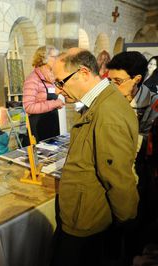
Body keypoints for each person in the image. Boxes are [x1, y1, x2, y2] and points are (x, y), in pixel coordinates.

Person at [50, 48, 139, 266]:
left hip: (86, 222)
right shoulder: (101, 102)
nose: (58, 91)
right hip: (81, 213)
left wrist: (126, 224)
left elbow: (117, 177)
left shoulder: (108, 112)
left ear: (83, 72)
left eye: (61, 82)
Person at [106, 51, 158, 263]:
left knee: (132, 226)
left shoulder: (153, 102)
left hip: (137, 174)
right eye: (110, 80)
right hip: (111, 169)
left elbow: (147, 140)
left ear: (136, 79)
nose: (112, 86)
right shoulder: (110, 97)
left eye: (117, 81)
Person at [22, 45, 64, 142]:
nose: (57, 60)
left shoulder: (52, 77)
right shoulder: (32, 79)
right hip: (38, 126)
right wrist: (54, 103)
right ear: (44, 58)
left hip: (53, 122)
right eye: (54, 57)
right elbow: (28, 107)